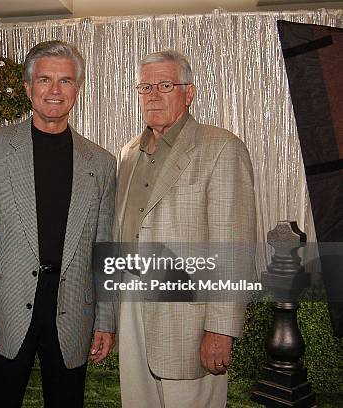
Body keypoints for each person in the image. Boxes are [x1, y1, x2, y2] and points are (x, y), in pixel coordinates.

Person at [0, 40, 116, 407]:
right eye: (44, 80)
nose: (54, 91)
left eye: (65, 81)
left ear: (78, 89)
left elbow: (103, 249)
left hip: (72, 309)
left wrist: (106, 320)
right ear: (28, 87)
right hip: (0, 311)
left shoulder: (102, 163)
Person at [115, 50, 256, 407]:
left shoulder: (222, 148)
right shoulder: (127, 154)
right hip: (131, 304)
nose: (153, 94)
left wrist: (221, 329)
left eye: (165, 85)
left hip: (188, 317)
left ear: (189, 93)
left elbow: (233, 247)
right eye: (145, 86)